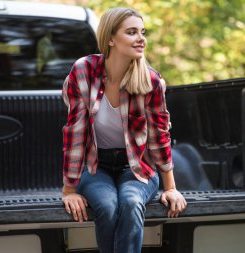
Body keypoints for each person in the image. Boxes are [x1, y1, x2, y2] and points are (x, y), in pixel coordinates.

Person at [61, 7, 187, 253]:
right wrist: (69, 190)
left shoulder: (151, 81)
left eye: (142, 32)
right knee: (107, 206)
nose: (141, 39)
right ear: (110, 38)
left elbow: (159, 137)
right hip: (95, 165)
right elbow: (75, 132)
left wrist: (170, 188)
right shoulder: (82, 71)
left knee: (130, 202)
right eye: (131, 32)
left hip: (137, 166)